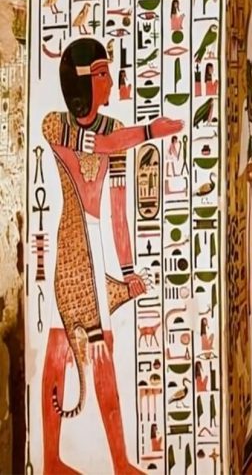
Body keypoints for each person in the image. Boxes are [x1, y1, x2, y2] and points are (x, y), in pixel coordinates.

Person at [40, 37, 183, 474]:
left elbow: (118, 204)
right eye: (100, 74)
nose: (109, 82)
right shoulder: (54, 125)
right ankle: (63, 460)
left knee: (80, 344)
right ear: (80, 82)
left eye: (108, 72)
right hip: (73, 246)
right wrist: (148, 132)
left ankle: (112, 461)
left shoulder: (111, 130)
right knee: (72, 344)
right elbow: (101, 146)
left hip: (99, 245)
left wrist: (127, 269)